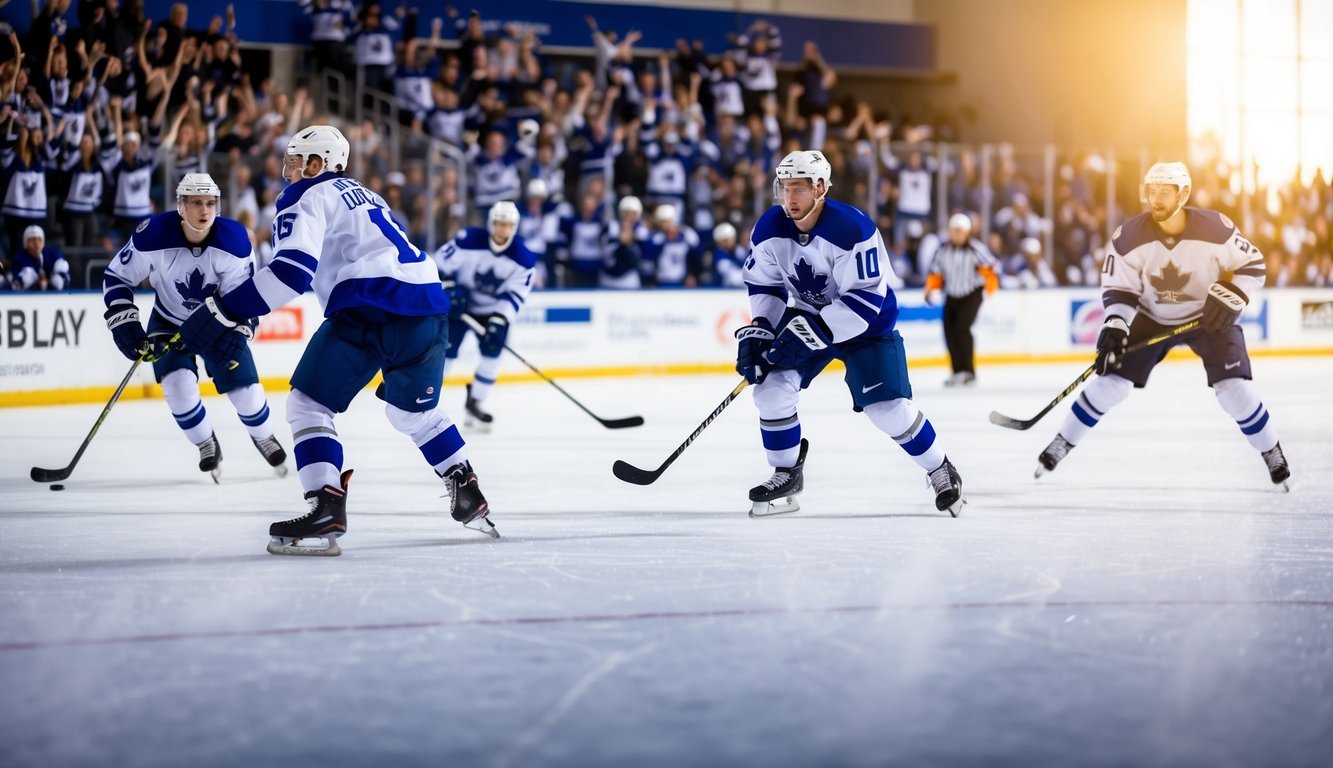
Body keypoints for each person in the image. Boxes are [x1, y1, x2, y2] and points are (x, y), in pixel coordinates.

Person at [178, 125, 497, 556]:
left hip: (367, 305)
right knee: (410, 414)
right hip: (427, 303)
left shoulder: (306, 195)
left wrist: (223, 311)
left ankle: (325, 503)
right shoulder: (368, 194)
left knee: (308, 405)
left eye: (295, 161)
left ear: (317, 164)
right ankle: (465, 483)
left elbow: (291, 272)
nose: (287, 172)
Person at [735, 149, 965, 517]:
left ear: (820, 188)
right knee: (771, 388)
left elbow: (865, 298)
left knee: (887, 410)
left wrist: (819, 329)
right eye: (784, 188)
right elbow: (764, 284)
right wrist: (762, 326)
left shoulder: (852, 228)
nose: (789, 198)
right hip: (809, 315)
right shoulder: (769, 228)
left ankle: (941, 468)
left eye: (799, 189)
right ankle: (786, 473)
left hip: (867, 326)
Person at [1036, 162, 1291, 490]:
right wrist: (1116, 325)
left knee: (1234, 391)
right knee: (1111, 383)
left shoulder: (1215, 228)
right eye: (1151, 191)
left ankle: (1271, 450)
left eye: (1164, 192)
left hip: (1208, 317)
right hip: (1152, 316)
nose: (1156, 199)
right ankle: (1062, 442)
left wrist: (1236, 294)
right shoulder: (1128, 237)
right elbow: (1120, 288)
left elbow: (1253, 264)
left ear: (1183, 194)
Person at [101, 173, 288, 483]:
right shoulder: (153, 236)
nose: (205, 210)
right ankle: (205, 442)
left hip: (220, 322)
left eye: (211, 203)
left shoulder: (234, 241)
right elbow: (117, 276)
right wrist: (123, 318)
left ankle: (264, 435)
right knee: (177, 389)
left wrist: (242, 329)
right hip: (168, 320)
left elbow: (246, 296)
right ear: (181, 206)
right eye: (197, 203)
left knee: (247, 393)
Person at [432, 200, 538, 430]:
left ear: (515, 227)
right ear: (491, 223)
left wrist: (499, 321)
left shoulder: (524, 259)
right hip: (460, 305)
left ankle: (476, 401)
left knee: (492, 354)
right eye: (499, 224)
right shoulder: (468, 240)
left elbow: (515, 294)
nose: (503, 230)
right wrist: (449, 288)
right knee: (446, 355)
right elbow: (438, 264)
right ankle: (426, 396)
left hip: (493, 311)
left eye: (508, 225)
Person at [923, 212, 999, 386]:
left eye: (960, 231)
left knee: (962, 329)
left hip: (972, 294)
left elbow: (991, 269)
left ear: (967, 232)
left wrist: (990, 290)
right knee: (949, 331)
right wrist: (930, 290)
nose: (957, 234)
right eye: (954, 231)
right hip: (952, 294)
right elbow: (935, 273)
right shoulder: (942, 250)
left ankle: (969, 371)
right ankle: (957, 372)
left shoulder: (976, 249)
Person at [11, 225, 70, 290]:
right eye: (32, 240)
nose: (36, 244)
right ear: (26, 243)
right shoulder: (20, 257)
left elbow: (63, 274)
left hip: (54, 295)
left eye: (39, 239)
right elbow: (16, 284)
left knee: (59, 276)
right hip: (28, 296)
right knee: (27, 276)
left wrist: (53, 280)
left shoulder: (52, 254)